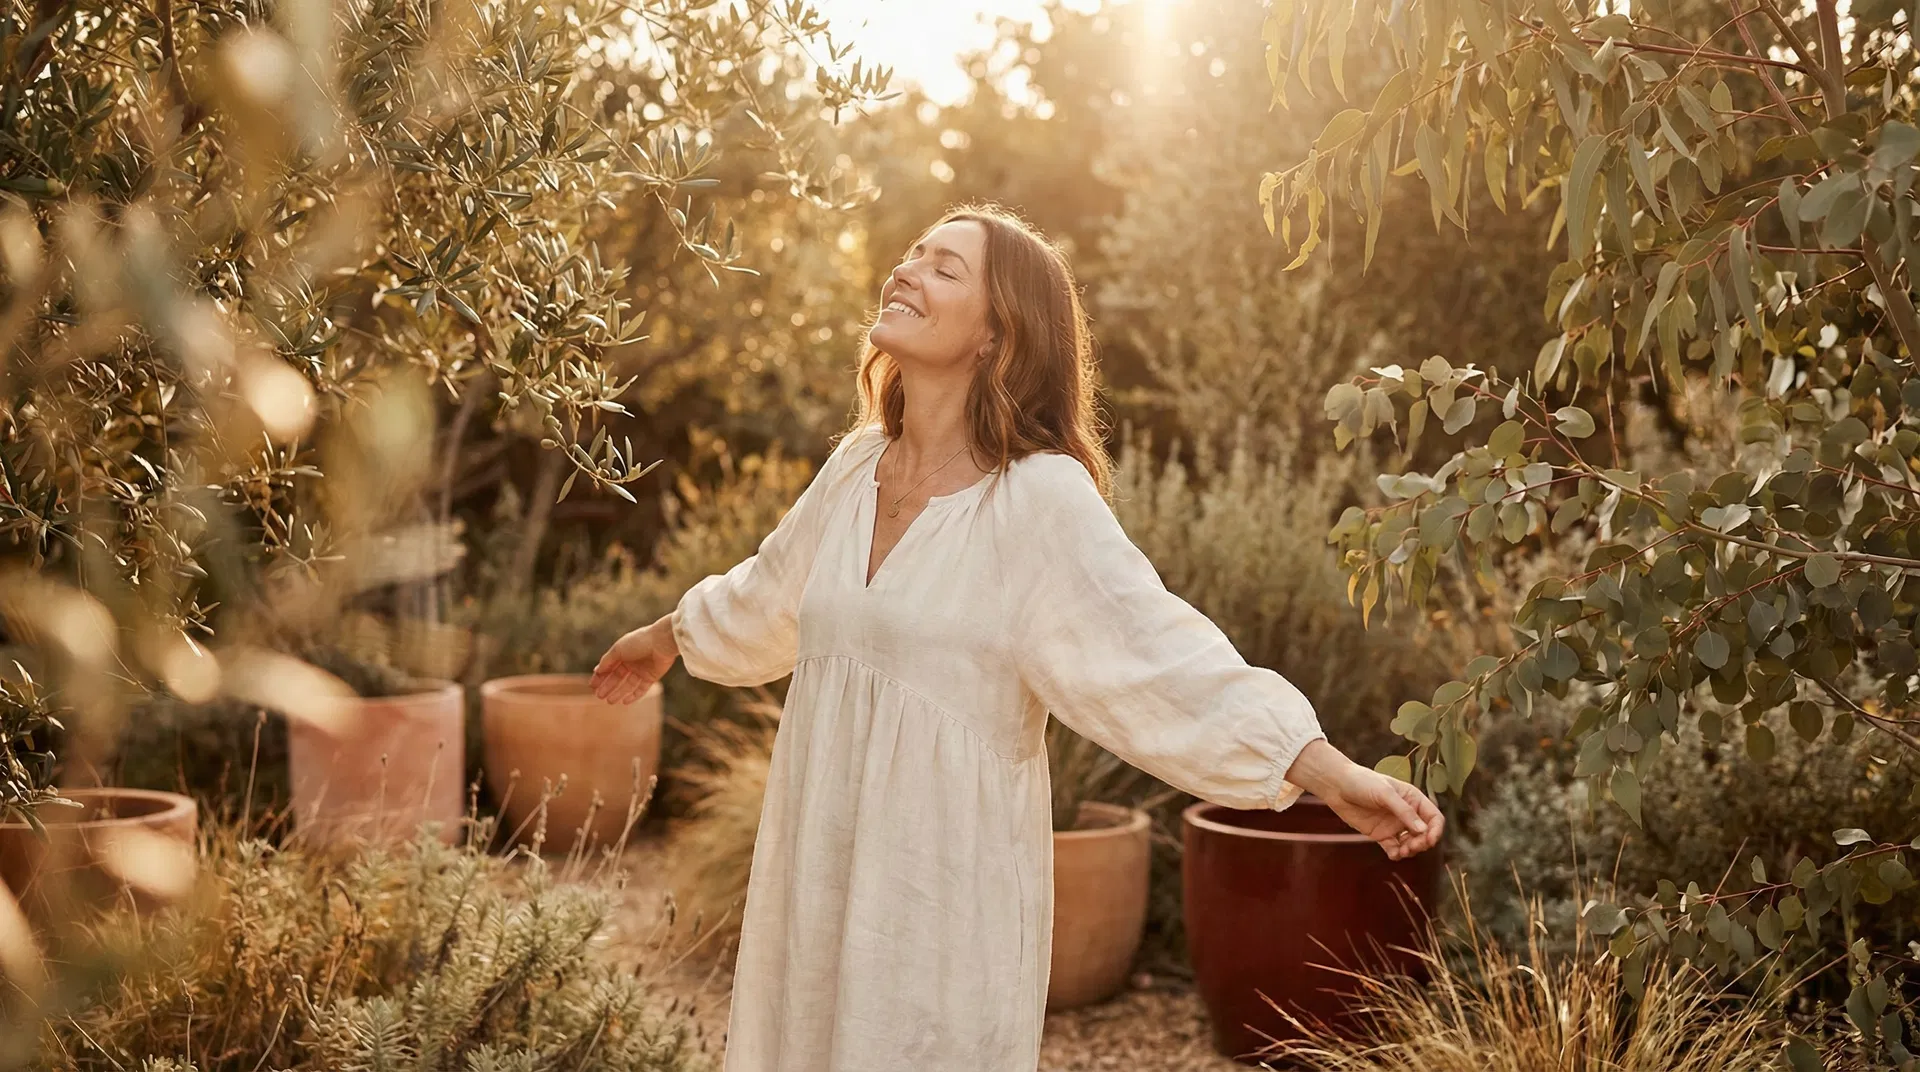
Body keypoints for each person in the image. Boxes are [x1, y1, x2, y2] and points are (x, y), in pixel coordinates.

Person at [591, 203, 1445, 1072]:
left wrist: (1327, 773)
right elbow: (769, 591)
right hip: (819, 868)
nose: (907, 270)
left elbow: (1163, 658)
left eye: (944, 268)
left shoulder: (1036, 499)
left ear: (998, 336)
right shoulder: (855, 466)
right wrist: (662, 638)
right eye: (913, 253)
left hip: (937, 902)